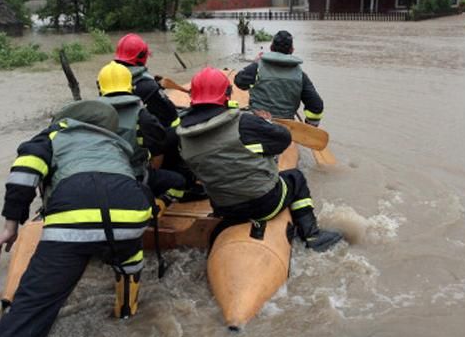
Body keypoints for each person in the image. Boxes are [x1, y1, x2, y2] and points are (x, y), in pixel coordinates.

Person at [0, 100, 153, 337]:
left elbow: (24, 172)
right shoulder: (117, 144)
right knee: (129, 258)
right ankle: (126, 315)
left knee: (28, 313)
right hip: (130, 212)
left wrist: (10, 226)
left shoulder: (53, 136)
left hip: (74, 212)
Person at [176, 67, 342, 252]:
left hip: (223, 207)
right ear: (227, 94)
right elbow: (283, 140)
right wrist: (266, 123)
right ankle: (313, 235)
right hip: (262, 203)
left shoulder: (181, 136)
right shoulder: (244, 123)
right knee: (296, 178)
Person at [114, 33, 203, 199]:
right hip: (142, 143)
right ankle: (185, 183)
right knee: (180, 129)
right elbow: (170, 116)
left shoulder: (109, 79)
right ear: (142, 57)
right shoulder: (148, 86)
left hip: (120, 140)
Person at [97, 61, 186, 201]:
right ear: (131, 85)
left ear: (100, 87)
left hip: (101, 177)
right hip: (135, 176)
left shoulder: (91, 115)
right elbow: (158, 152)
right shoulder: (143, 116)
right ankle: (159, 203)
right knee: (179, 182)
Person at [234, 30, 325, 127]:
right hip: (285, 128)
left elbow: (239, 81)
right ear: (292, 50)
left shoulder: (257, 67)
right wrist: (310, 125)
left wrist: (255, 63)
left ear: (271, 48)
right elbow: (316, 106)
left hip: (257, 122)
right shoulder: (301, 76)